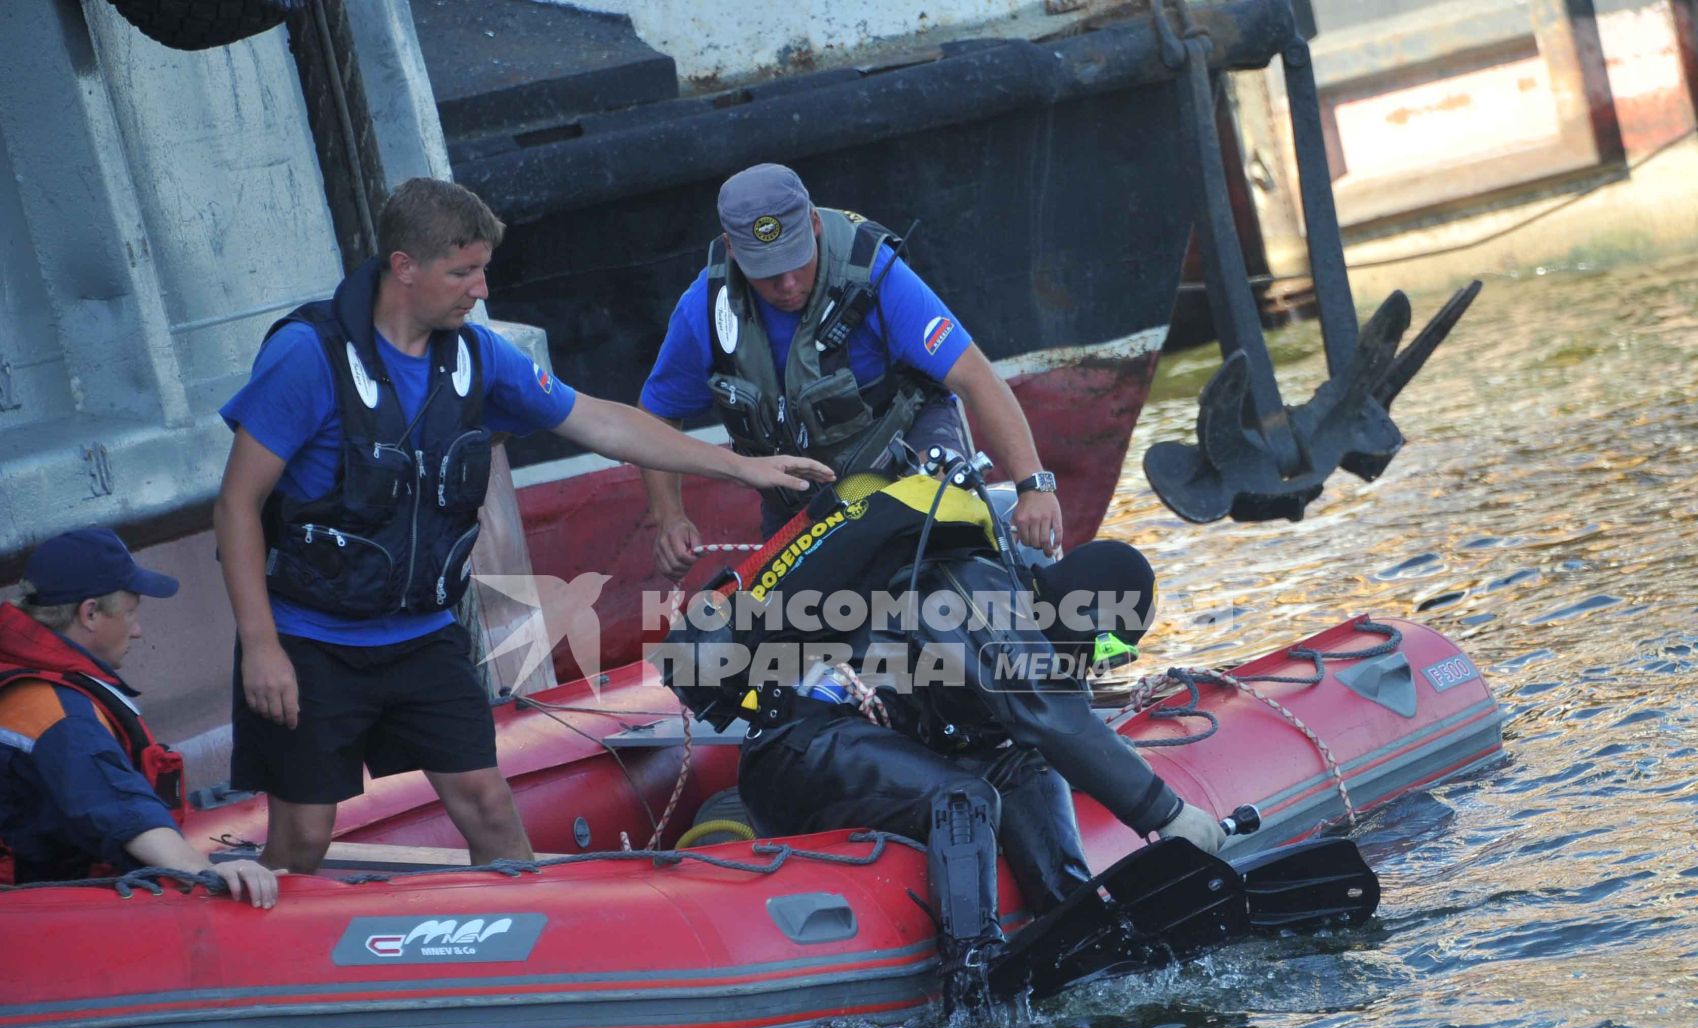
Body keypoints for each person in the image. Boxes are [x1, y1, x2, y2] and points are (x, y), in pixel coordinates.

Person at [215, 177, 832, 875]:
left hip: (421, 636)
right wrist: (263, 647)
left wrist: (741, 467)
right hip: (312, 640)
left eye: (483, 270)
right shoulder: (308, 358)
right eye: (463, 272)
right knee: (301, 839)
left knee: (490, 807)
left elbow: (601, 420)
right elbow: (236, 505)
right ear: (404, 268)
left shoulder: (478, 359)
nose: (480, 290)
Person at [658, 468, 1223, 1004]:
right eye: (1108, 648)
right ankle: (973, 976)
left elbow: (1040, 733)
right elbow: (1046, 712)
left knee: (1026, 765)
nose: (1104, 666)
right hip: (799, 747)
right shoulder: (978, 592)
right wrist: (1166, 813)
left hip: (871, 742)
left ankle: (1072, 916)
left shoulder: (1008, 604)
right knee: (967, 798)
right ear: (1084, 614)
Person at [637, 162, 1065, 579]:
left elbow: (975, 376)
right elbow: (654, 418)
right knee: (795, 622)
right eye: (767, 273)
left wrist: (1034, 485)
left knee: (929, 571)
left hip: (907, 461)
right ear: (732, 249)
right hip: (802, 506)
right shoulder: (704, 310)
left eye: (795, 262)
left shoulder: (877, 277)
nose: (786, 285)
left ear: (814, 225)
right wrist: (669, 516)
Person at [0, 528, 279, 906]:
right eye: (131, 613)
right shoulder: (55, 714)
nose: (137, 631)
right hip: (31, 910)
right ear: (90, 613)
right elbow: (117, 806)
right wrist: (201, 871)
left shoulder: (21, 667)